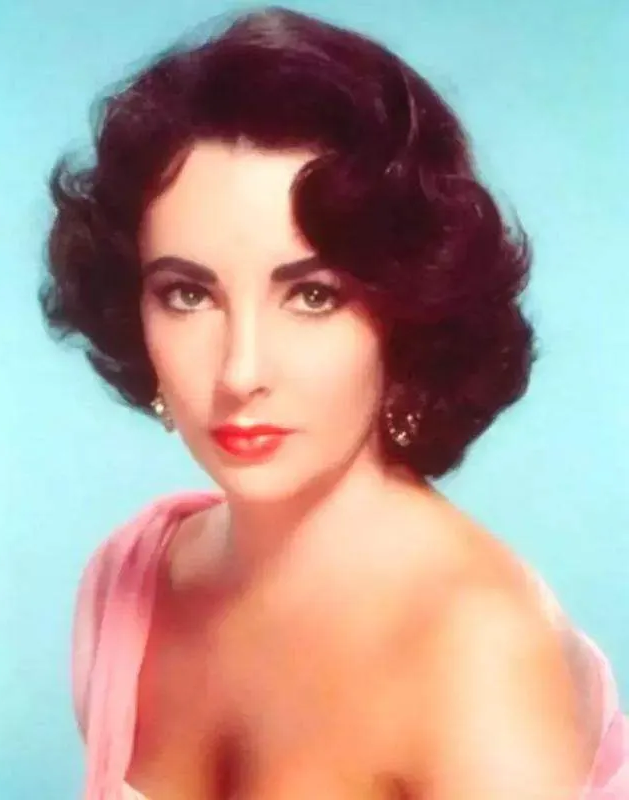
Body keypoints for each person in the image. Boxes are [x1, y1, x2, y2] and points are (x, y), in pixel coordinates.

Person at [40, 6, 628, 799]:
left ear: (405, 313)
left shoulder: (475, 655)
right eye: (187, 294)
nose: (241, 370)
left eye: (313, 295)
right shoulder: (131, 579)